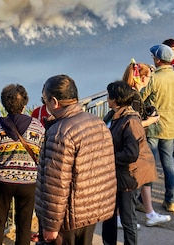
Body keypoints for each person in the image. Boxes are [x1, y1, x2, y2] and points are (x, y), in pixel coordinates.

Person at [35, 74, 116, 245]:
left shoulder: (60, 132)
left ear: (55, 102)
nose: (45, 106)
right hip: (90, 210)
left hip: (68, 218)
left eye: (45, 101)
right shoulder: (97, 123)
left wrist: (50, 225)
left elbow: (56, 184)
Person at [101, 81, 169, 245]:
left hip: (129, 175)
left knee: (127, 217)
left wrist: (107, 157)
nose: (107, 98)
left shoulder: (131, 121)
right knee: (108, 214)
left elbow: (131, 154)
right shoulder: (114, 115)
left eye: (109, 95)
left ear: (115, 99)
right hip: (118, 174)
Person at [0, 84, 45, 245]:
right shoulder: (37, 127)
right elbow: (43, 153)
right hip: (29, 182)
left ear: (4, 104)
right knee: (24, 224)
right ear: (24, 104)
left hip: (2, 180)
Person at [121, 61, 169, 224]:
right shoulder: (134, 96)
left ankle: (148, 213)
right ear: (141, 78)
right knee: (138, 176)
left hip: (133, 141)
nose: (150, 79)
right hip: (133, 141)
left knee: (145, 174)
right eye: (149, 76)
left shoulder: (130, 93)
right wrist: (152, 120)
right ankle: (128, 217)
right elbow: (132, 123)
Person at [141, 44, 174, 213]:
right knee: (168, 163)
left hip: (154, 125)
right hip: (172, 124)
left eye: (153, 57)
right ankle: (170, 201)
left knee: (149, 164)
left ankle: (144, 200)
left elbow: (142, 97)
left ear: (158, 60)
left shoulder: (154, 79)